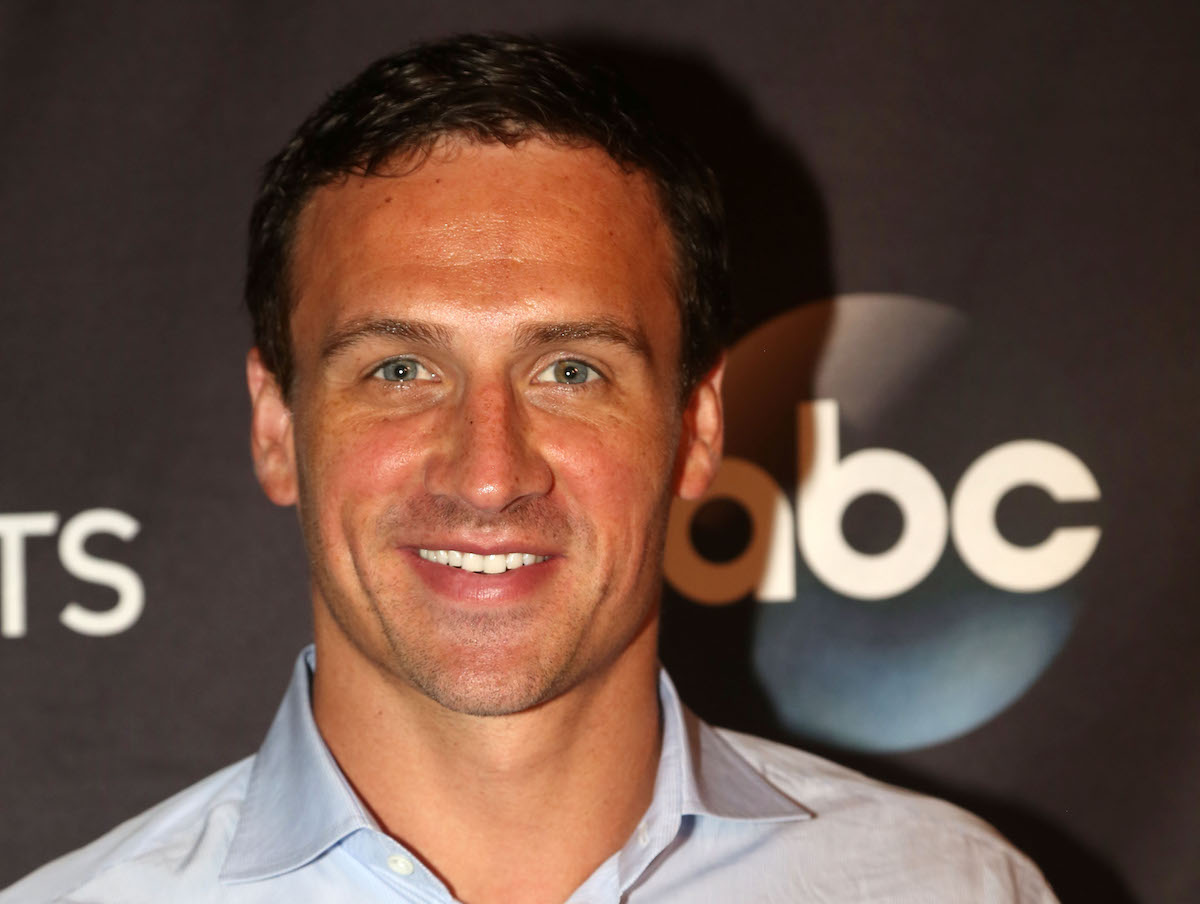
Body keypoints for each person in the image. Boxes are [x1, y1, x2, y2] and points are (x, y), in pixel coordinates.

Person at [2, 34, 1058, 904]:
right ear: (276, 422)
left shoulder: (954, 886)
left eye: (569, 369)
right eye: (403, 367)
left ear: (696, 427)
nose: (491, 471)